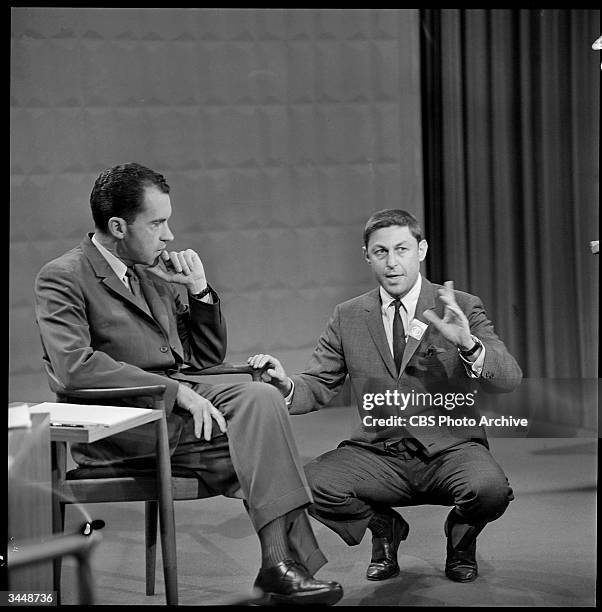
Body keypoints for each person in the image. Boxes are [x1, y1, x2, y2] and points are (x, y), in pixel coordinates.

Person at [34, 162, 343, 606]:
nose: (169, 236)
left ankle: (279, 565)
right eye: (158, 223)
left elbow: (202, 359)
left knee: (261, 405)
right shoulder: (62, 276)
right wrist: (176, 391)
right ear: (118, 226)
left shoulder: (153, 273)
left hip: (178, 415)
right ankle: (280, 565)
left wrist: (197, 290)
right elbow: (74, 366)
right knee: (261, 436)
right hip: (123, 426)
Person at [248, 209, 522, 584]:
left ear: (421, 250)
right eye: (380, 252)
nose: (392, 263)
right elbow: (320, 382)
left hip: (450, 449)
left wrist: (469, 346)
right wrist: (286, 386)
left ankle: (461, 536)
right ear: (367, 256)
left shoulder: (460, 306)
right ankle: (385, 527)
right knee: (306, 486)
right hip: (377, 452)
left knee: (490, 490)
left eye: (402, 250)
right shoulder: (348, 316)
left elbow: (507, 379)